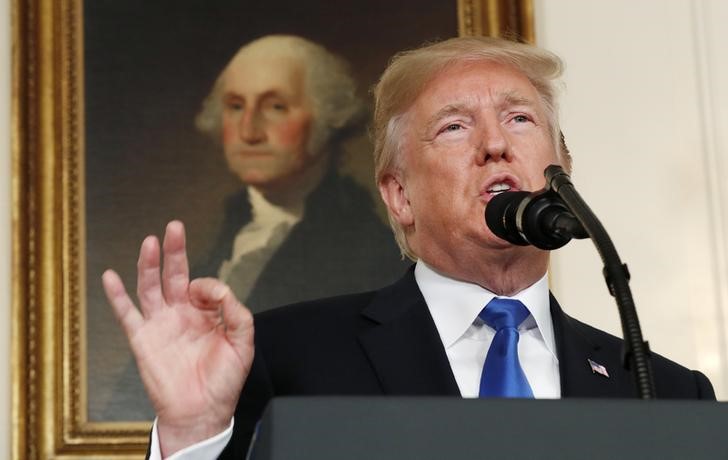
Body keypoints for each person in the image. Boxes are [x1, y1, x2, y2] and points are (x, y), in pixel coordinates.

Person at [102, 36, 715, 459]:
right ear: (399, 197)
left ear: (564, 170)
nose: (495, 145)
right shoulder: (285, 358)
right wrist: (190, 436)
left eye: (521, 119)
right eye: (454, 126)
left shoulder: (667, 394)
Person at [193, 34, 407, 311]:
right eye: (235, 106)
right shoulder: (224, 235)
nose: (248, 131)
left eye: (275, 107)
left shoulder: (367, 252)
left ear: (326, 117)